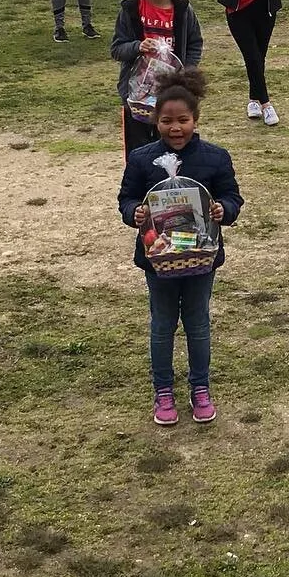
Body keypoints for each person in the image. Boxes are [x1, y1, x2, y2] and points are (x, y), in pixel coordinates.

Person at [118, 69, 243, 427]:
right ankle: (163, 391)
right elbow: (126, 199)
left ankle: (200, 388)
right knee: (162, 324)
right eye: (168, 121)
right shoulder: (142, 160)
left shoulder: (215, 158)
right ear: (155, 120)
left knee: (198, 323)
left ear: (196, 119)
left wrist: (224, 210)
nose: (176, 129)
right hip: (158, 259)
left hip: (202, 258)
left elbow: (232, 196)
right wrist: (135, 212)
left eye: (183, 121)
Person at [111, 0, 204, 154]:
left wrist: (185, 72)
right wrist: (138, 47)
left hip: (173, 91)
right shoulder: (130, 10)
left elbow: (195, 43)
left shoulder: (183, 9)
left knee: (177, 148)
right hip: (137, 96)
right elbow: (117, 49)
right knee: (138, 153)